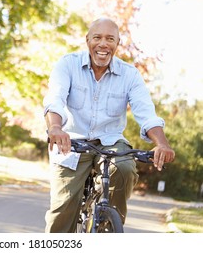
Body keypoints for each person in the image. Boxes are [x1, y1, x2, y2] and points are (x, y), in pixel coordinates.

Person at [42, 17, 175, 233]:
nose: (103, 44)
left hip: (110, 141)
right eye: (97, 38)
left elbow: (146, 112)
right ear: (87, 40)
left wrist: (161, 143)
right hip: (72, 143)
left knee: (124, 168)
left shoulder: (129, 74)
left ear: (117, 44)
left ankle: (108, 227)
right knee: (62, 211)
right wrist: (55, 127)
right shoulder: (67, 64)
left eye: (110, 39)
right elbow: (54, 99)